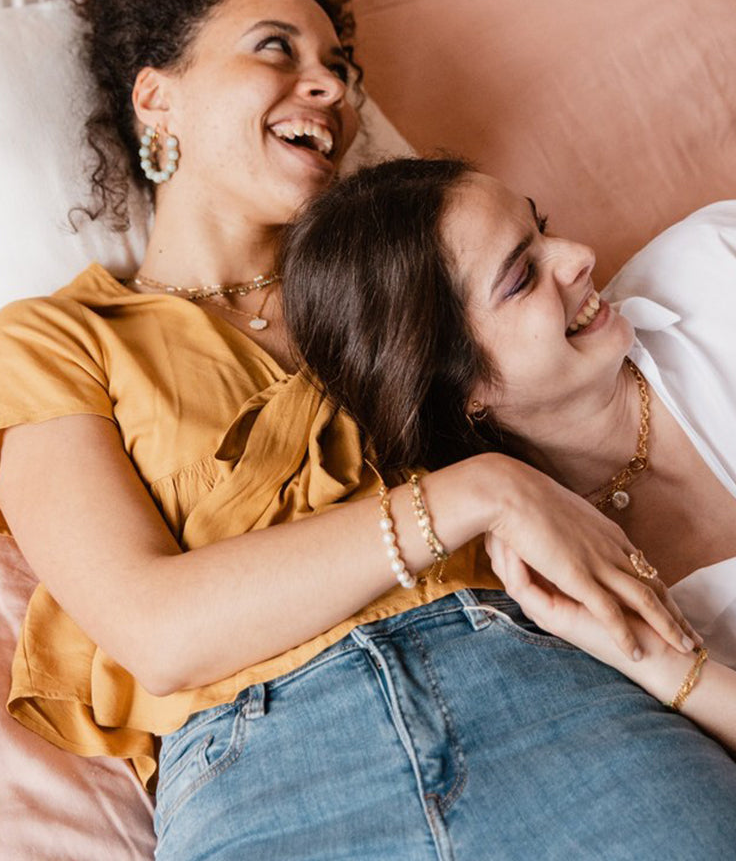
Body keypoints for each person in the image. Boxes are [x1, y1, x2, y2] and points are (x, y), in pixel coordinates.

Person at [0, 0, 732, 861]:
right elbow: (155, 629)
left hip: (555, 702)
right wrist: (474, 497)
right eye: (275, 50)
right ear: (156, 97)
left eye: (337, 62)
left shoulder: (410, 290)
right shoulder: (52, 340)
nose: (329, 85)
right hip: (265, 772)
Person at [281, 156, 736, 753]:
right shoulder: (534, 590)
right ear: (458, 387)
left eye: (541, 225)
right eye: (521, 277)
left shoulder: (717, 266)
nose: (578, 256)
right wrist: (656, 663)